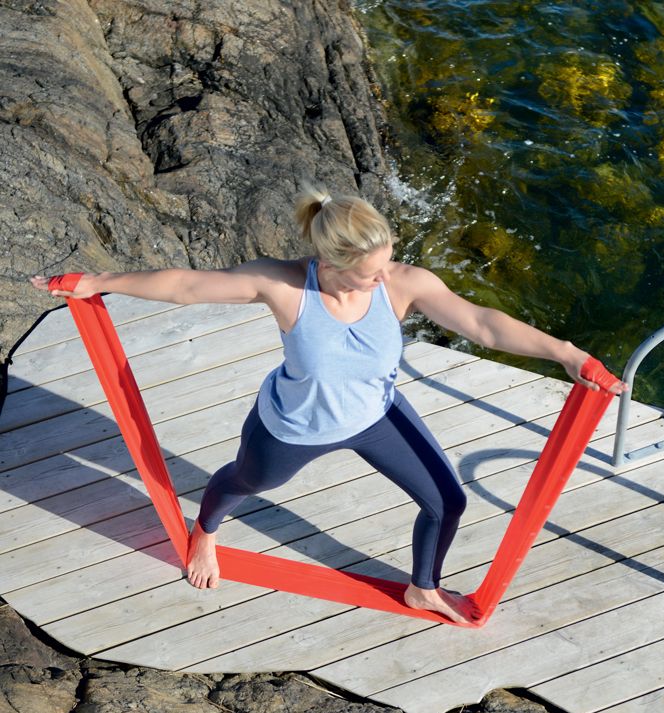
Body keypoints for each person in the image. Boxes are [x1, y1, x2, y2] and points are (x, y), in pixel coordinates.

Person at [32, 188, 624, 624]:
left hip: (376, 418)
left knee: (448, 501)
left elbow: (481, 324)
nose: (382, 279)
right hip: (292, 426)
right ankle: (205, 531)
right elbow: (189, 285)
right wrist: (99, 279)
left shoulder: (402, 282)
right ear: (330, 263)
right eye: (369, 273)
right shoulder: (285, 285)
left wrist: (567, 354)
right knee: (244, 481)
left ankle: (423, 586)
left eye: (387, 264)